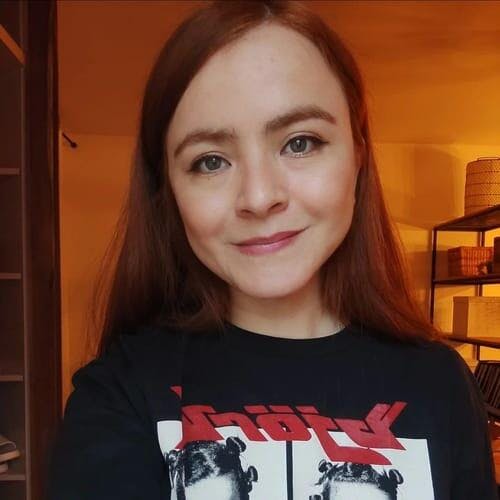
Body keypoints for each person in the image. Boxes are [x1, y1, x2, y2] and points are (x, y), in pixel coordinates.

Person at [47, 1, 498, 499]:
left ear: (358, 155)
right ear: (169, 190)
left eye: (300, 143)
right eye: (210, 161)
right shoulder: (118, 394)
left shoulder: (442, 384)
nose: (260, 197)